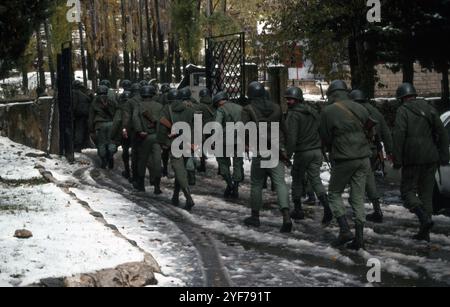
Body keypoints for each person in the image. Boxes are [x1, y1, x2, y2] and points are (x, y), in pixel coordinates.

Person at [393, 83, 450, 242]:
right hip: (431, 156)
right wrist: (444, 156)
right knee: (426, 193)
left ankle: (423, 218)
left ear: (402, 98)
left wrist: (397, 159)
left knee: (407, 191)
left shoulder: (402, 111)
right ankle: (425, 232)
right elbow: (442, 133)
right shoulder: (429, 108)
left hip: (412, 158)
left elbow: (398, 136)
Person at [320, 80, 372, 250]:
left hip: (344, 158)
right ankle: (360, 238)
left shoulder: (328, 111)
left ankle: (344, 230)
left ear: (333, 95)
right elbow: (371, 129)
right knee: (358, 196)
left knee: (334, 193)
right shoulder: (361, 108)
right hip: (364, 157)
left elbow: (325, 136)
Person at [242, 81, 292, 233]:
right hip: (277, 150)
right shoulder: (276, 107)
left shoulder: (248, 109)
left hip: (260, 150)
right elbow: (286, 129)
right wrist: (286, 150)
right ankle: (286, 217)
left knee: (257, 183)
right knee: (280, 183)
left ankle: (255, 217)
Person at [285, 86, 333, 226]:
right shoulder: (312, 111)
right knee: (316, 180)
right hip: (316, 151)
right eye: (287, 99)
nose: (288, 101)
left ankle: (298, 209)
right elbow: (321, 129)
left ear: (297, 99)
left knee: (297, 179)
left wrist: (288, 154)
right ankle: (327, 208)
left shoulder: (293, 115)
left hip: (303, 152)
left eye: (291, 99)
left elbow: (292, 137)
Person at [350, 89, 394, 223]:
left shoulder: (353, 111)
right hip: (374, 150)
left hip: (357, 151)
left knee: (355, 180)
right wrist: (390, 151)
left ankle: (357, 209)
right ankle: (376, 209)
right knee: (369, 179)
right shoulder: (376, 112)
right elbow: (386, 133)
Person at [158, 89, 196, 212]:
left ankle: (188, 198)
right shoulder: (190, 110)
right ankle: (175, 196)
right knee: (181, 170)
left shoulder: (166, 109)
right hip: (188, 143)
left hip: (174, 144)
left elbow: (162, 128)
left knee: (179, 172)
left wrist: (162, 142)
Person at [132, 85, 163, 194]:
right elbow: (162, 121)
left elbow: (135, 118)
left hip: (144, 137)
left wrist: (140, 130)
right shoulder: (159, 106)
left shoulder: (139, 105)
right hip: (157, 136)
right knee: (157, 160)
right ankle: (157, 186)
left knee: (142, 161)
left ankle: (141, 185)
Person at [213, 91, 244, 199]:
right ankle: (235, 187)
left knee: (222, 162)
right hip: (239, 139)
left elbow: (217, 125)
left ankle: (230, 184)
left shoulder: (221, 109)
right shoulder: (240, 108)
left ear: (218, 102)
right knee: (238, 163)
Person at [89, 85, 118, 169]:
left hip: (99, 125)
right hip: (111, 124)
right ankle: (110, 155)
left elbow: (91, 117)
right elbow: (117, 112)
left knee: (101, 143)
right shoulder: (112, 101)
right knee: (111, 142)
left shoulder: (94, 101)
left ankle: (103, 159)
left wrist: (91, 129)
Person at [72, 80, 92, 153]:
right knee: (81, 130)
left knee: (78, 130)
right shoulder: (84, 92)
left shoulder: (75, 93)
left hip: (78, 115)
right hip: (85, 114)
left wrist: (72, 113)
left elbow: (74, 104)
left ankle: (77, 147)